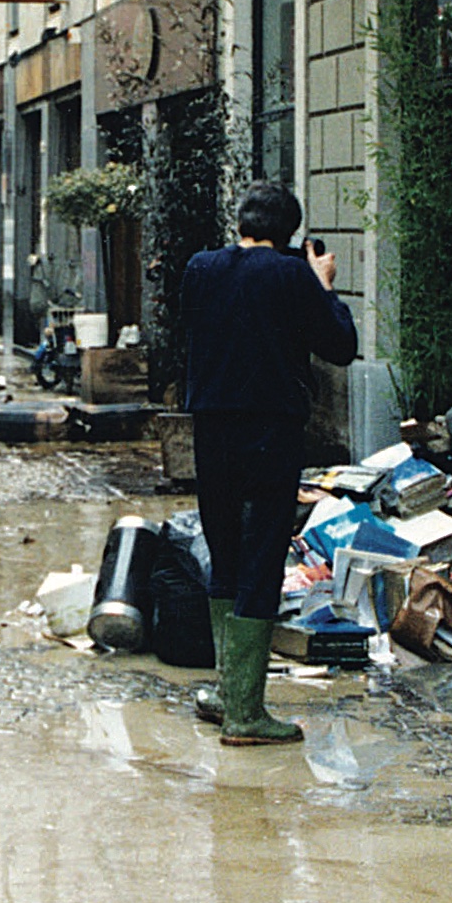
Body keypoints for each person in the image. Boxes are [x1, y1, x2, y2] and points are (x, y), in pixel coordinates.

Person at [182, 182, 357, 745]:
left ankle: (226, 691)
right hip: (270, 431)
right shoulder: (290, 276)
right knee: (261, 557)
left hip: (210, 428)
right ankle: (247, 716)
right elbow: (340, 344)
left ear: (241, 222)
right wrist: (322, 285)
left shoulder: (200, 268)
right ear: (291, 233)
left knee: (225, 552)